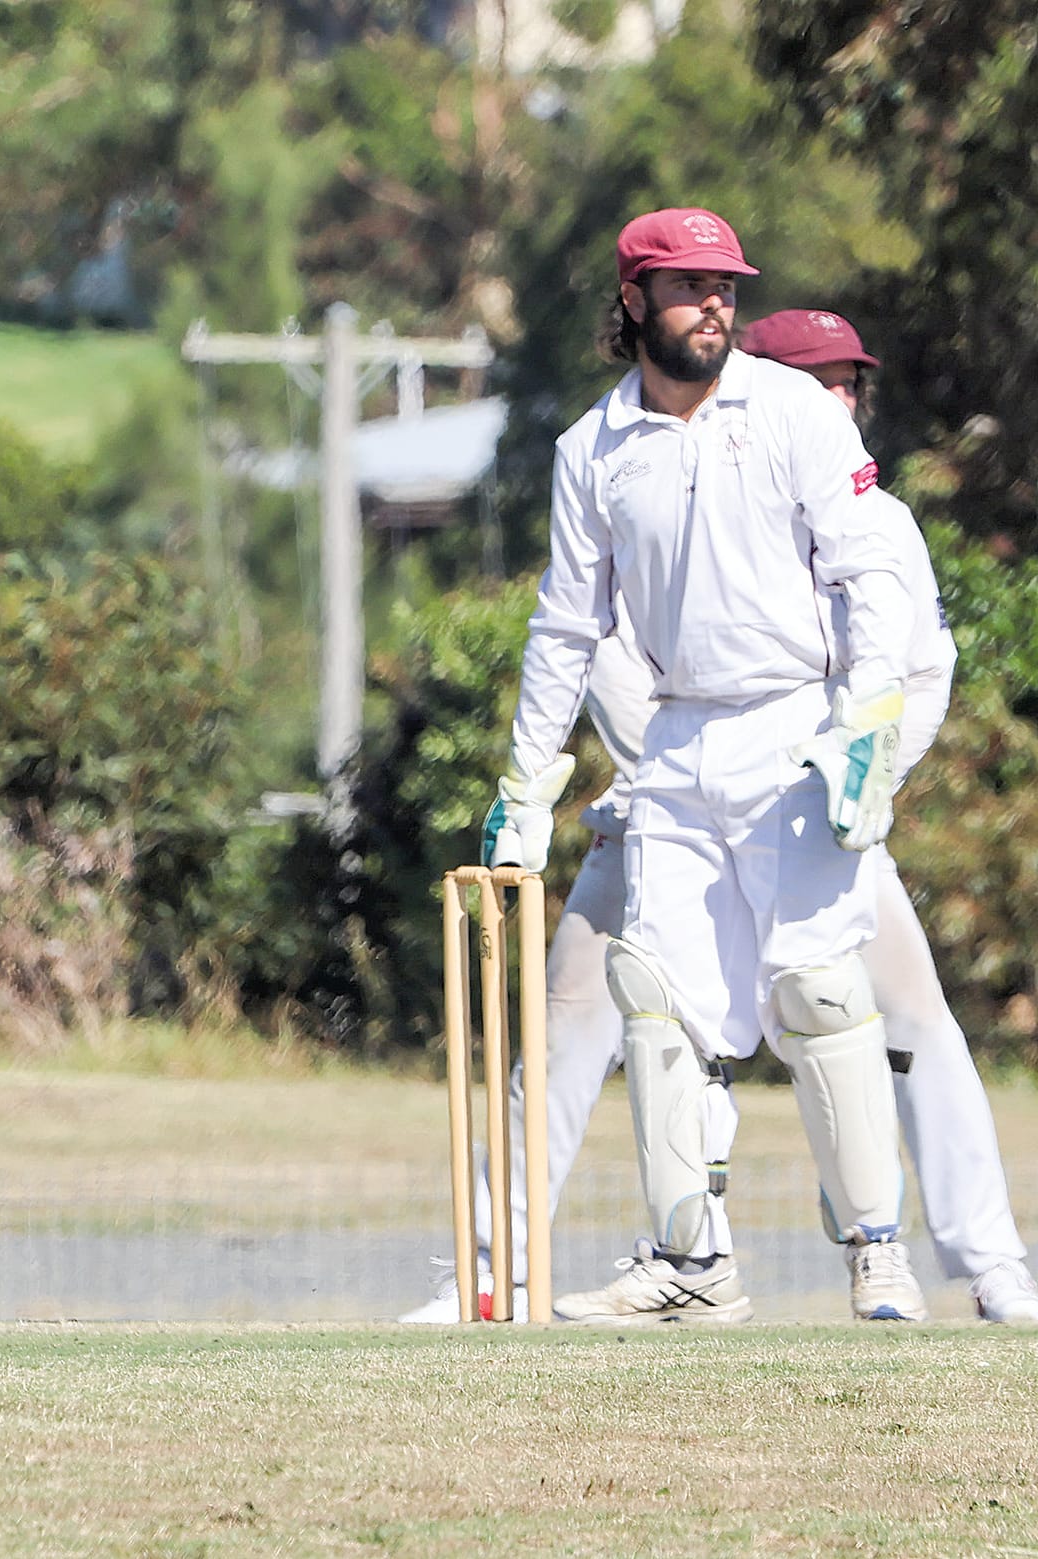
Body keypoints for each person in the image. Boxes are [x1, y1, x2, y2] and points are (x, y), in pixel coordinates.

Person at [404, 307, 1038, 1325]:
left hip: (816, 809)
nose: (836, 401)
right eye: (813, 379)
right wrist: (646, 773)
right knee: (586, 1025)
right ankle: (507, 1268)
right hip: (655, 808)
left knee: (895, 1025)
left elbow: (919, 668)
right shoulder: (660, 469)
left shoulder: (873, 516)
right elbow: (595, 643)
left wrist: (863, 776)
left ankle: (983, 1263)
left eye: (848, 384)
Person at [478, 208, 929, 1326]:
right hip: (674, 740)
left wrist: (867, 720)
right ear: (630, 301)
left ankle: (877, 1250)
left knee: (819, 990)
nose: (712, 305)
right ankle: (692, 1262)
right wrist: (525, 781)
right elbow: (564, 626)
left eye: (724, 285)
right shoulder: (589, 450)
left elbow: (870, 568)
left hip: (795, 727)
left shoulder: (789, 412)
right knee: (658, 1001)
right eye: (685, 286)